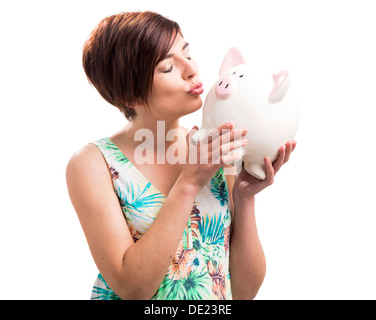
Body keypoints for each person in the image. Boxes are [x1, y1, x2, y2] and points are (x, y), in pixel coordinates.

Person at [66, 11, 296, 300]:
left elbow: (242, 292)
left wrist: (245, 196)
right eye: (168, 68)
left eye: (187, 53)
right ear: (130, 97)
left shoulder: (213, 148)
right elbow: (132, 289)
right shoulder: (92, 164)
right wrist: (188, 183)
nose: (191, 70)